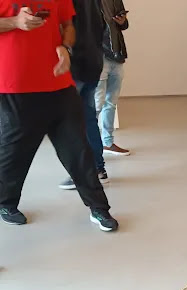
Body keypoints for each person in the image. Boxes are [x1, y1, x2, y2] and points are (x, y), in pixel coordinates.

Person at [0, 3, 118, 232]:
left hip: (60, 84)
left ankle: (99, 208)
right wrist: (15, 22)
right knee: (14, 153)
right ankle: (6, 204)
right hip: (14, 85)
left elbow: (68, 25)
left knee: (78, 150)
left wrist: (65, 46)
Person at [59, 0, 109, 190]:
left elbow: (65, 28)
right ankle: (97, 169)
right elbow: (102, 26)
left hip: (75, 64)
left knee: (73, 123)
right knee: (87, 118)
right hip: (93, 61)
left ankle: (85, 173)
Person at [95, 0, 130, 156]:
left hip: (117, 55)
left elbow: (124, 25)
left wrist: (123, 21)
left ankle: (108, 142)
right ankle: (90, 145)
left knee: (111, 102)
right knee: (97, 103)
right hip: (99, 56)